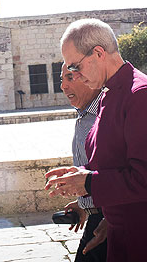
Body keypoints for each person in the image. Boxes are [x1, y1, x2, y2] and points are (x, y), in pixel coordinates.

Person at [45, 18, 147, 262]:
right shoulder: (109, 96)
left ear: (98, 53)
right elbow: (114, 161)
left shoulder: (143, 95)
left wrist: (90, 182)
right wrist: (80, 174)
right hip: (121, 236)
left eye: (75, 66)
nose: (73, 75)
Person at [59, 64, 108, 262]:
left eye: (70, 78)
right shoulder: (84, 115)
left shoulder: (105, 114)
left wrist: (113, 219)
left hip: (111, 220)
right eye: (61, 79)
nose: (63, 86)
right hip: (99, 218)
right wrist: (84, 204)